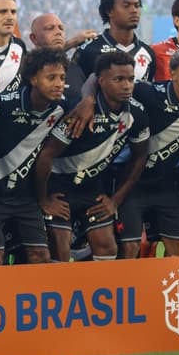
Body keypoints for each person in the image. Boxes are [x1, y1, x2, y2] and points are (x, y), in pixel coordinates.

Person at [80, 47, 179, 259]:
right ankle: (129, 291)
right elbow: (96, 77)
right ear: (173, 74)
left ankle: (162, 291)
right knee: (130, 249)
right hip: (130, 182)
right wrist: (88, 100)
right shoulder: (149, 93)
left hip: (165, 184)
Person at [35, 51, 150, 262]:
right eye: (119, 79)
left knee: (107, 247)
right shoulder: (79, 110)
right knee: (60, 246)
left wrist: (115, 200)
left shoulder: (137, 113)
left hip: (93, 190)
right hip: (60, 187)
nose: (127, 85)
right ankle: (60, 293)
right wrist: (43, 199)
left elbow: (140, 157)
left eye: (130, 79)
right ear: (102, 81)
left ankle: (98, 293)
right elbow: (46, 155)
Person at [0, 48, 70, 265]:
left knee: (41, 257)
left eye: (62, 78)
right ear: (33, 78)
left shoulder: (63, 107)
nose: (58, 83)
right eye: (51, 77)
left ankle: (36, 299)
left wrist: (43, 199)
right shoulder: (2, 104)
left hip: (25, 198)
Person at [72, 0, 156, 85]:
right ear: (109, 11)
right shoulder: (88, 50)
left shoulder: (148, 53)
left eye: (137, 6)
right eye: (126, 6)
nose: (134, 10)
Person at [27, 13, 97, 99]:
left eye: (61, 28)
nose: (58, 32)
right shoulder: (25, 69)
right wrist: (73, 41)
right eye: (50, 28)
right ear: (34, 38)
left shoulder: (76, 69)